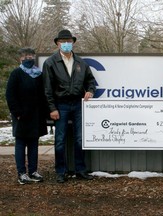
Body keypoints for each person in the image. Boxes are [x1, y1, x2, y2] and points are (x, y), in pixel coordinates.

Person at [42, 29, 96, 183]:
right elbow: (47, 89)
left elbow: (90, 81)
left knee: (80, 139)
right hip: (61, 105)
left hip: (78, 105)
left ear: (72, 43)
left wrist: (90, 91)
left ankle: (80, 170)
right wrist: (52, 108)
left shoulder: (81, 62)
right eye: (63, 42)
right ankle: (60, 171)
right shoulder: (50, 63)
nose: (66, 44)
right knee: (60, 140)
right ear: (58, 43)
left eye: (69, 42)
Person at [6, 47, 48, 184]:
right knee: (20, 144)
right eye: (25, 56)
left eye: (30, 56)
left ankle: (33, 171)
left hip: (36, 117)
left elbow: (43, 95)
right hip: (22, 116)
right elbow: (10, 95)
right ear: (20, 58)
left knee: (33, 145)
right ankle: (21, 173)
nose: (28, 58)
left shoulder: (39, 74)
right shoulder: (16, 74)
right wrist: (17, 113)